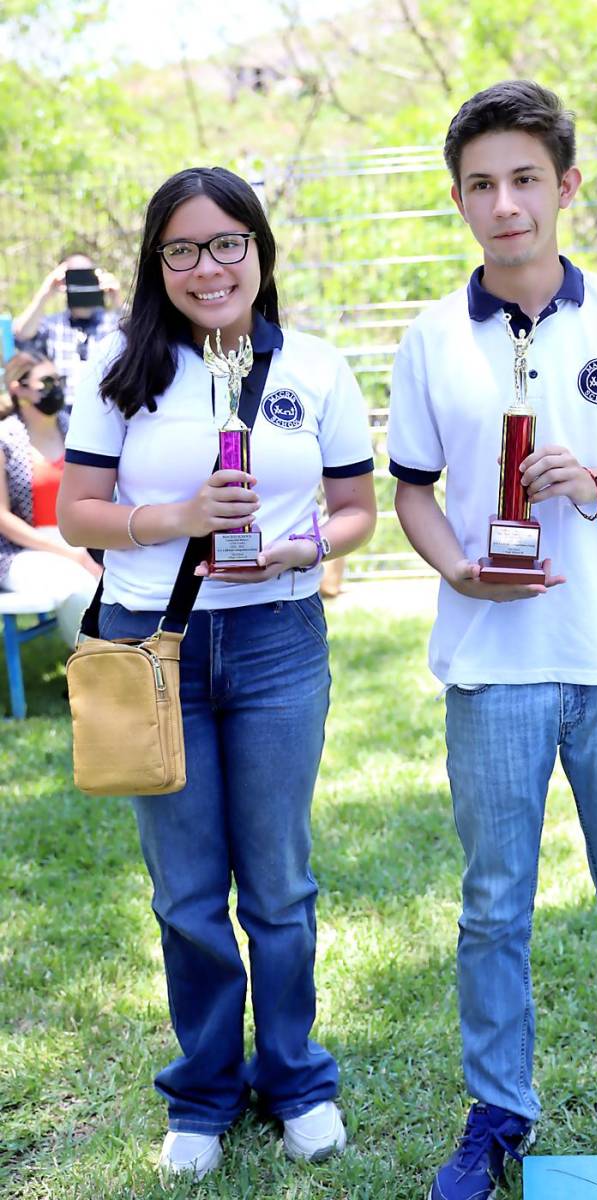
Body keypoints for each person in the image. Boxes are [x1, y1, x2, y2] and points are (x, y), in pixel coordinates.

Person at [387, 81, 597, 1200]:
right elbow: (412, 492)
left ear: (564, 187)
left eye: (524, 179)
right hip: (492, 668)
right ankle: (497, 1111)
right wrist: (455, 566)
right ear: (459, 200)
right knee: (491, 906)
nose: (504, 203)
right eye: (480, 185)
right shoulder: (432, 336)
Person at [57, 166, 376, 1180]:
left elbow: (356, 508)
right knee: (187, 892)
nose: (209, 267)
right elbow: (78, 514)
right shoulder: (120, 364)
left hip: (281, 642)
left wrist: (307, 548)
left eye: (227, 243)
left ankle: (294, 1081)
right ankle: (201, 1091)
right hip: (156, 647)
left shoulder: (313, 366)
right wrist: (178, 520)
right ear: (158, 265)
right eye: (184, 249)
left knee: (278, 884)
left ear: (259, 251)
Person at [0, 351, 100, 644]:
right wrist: (73, 554)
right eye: (46, 381)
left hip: (82, 538)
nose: (55, 387)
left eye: (59, 379)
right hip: (22, 549)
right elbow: (2, 518)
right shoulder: (5, 439)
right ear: (19, 389)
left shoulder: (75, 428)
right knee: (79, 588)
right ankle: (92, 671)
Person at [13, 253, 122, 409]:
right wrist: (46, 292)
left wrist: (118, 299)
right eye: (75, 276)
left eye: (87, 275)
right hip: (64, 412)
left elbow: (140, 340)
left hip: (107, 409)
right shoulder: (52, 325)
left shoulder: (114, 322)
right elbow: (21, 335)